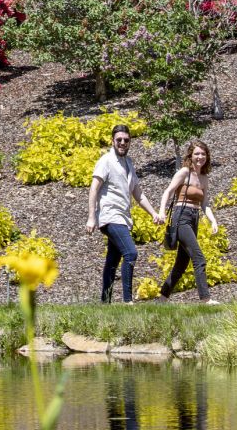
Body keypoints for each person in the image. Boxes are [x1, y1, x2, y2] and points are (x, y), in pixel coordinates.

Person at [86, 124, 163, 303]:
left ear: (130, 142)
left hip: (123, 216)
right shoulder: (106, 161)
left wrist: (153, 213)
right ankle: (127, 301)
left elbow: (137, 193)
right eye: (119, 140)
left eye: (126, 140)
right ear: (112, 141)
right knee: (131, 252)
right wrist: (91, 217)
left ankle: (105, 302)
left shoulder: (129, 163)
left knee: (113, 260)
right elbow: (93, 189)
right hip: (110, 216)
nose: (122, 143)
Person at [158, 140, 220, 304]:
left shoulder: (204, 178)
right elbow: (168, 191)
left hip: (194, 218)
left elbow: (204, 204)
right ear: (190, 156)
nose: (200, 157)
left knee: (181, 264)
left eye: (203, 154)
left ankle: (162, 299)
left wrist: (213, 221)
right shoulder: (184, 172)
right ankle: (205, 299)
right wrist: (162, 211)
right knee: (199, 258)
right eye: (197, 154)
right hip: (181, 216)